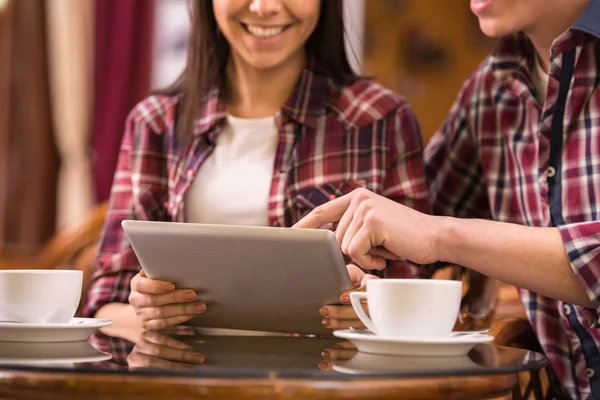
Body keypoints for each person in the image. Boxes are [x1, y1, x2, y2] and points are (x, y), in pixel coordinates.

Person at [295, 0, 600, 398]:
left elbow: (430, 230)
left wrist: (438, 234)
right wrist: (348, 269)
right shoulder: (493, 89)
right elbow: (406, 228)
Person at [83, 0, 430, 333]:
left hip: (327, 386)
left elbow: (419, 296)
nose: (264, 7)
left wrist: (376, 307)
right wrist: (146, 312)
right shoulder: (155, 123)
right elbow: (106, 303)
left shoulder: (380, 118)